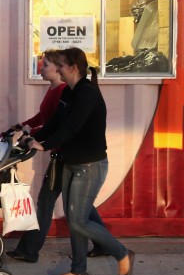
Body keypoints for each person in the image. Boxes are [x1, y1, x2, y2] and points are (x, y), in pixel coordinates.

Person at [29, 47, 135, 275]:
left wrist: (44, 146)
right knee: (74, 217)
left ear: (73, 68)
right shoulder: (69, 93)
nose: (58, 69)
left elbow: (72, 127)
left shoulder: (87, 93)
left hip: (90, 165)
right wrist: (34, 138)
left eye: (62, 66)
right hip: (70, 162)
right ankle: (78, 270)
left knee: (78, 220)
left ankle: (122, 253)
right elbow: (56, 123)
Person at [9, 49, 110, 263]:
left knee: (58, 208)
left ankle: (30, 250)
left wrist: (41, 144)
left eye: (47, 65)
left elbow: (68, 127)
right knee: (79, 209)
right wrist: (28, 130)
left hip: (74, 158)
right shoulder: (62, 92)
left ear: (65, 68)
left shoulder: (76, 92)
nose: (42, 69)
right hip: (65, 155)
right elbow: (51, 120)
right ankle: (98, 249)